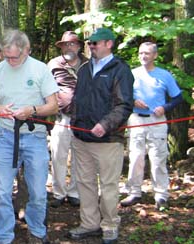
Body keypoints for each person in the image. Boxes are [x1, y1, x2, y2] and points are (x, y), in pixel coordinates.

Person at [0, 29, 58, 244]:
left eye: (14, 56)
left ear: (26, 50)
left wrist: (33, 110)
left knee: (38, 192)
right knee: (1, 192)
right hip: (5, 137)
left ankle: (37, 232)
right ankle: (4, 237)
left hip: (34, 136)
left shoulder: (39, 69)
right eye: (5, 55)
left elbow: (54, 105)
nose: (9, 60)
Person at [68, 27, 134, 244]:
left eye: (95, 43)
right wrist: (74, 122)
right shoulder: (85, 69)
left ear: (109, 44)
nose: (91, 47)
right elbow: (79, 99)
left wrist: (105, 125)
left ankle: (110, 225)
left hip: (107, 140)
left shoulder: (120, 70)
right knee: (84, 183)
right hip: (81, 137)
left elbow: (124, 105)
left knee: (108, 185)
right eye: (90, 43)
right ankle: (89, 223)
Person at [120, 42, 183, 210]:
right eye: (141, 53)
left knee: (158, 158)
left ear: (155, 55)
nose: (143, 56)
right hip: (136, 120)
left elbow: (177, 97)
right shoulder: (131, 74)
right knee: (135, 157)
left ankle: (161, 195)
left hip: (157, 121)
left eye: (147, 53)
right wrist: (133, 101)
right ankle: (134, 192)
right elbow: (121, 96)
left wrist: (165, 107)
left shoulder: (164, 75)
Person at [47, 31, 85, 208]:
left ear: (78, 46)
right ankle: (58, 192)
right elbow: (45, 88)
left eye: (72, 44)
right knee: (58, 156)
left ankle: (75, 192)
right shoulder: (53, 64)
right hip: (62, 117)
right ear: (61, 47)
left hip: (84, 119)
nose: (69, 47)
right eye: (65, 44)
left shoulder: (88, 64)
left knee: (80, 157)